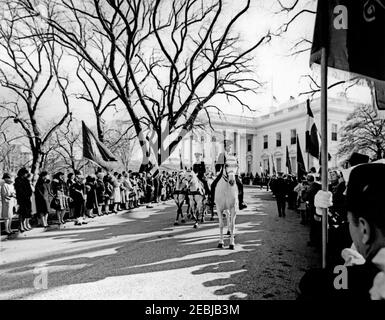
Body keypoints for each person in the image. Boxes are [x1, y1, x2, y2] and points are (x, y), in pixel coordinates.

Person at [298, 163, 385, 300]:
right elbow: (326, 239)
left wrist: (349, 273)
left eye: (350, 221)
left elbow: (312, 283)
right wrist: (320, 214)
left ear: (364, 229)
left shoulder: (357, 279)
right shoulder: (346, 235)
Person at [210, 140, 247, 210]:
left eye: (230, 147)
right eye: (228, 146)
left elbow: (237, 165)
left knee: (240, 185)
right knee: (213, 185)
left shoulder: (233, 155)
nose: (229, 148)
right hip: (223, 173)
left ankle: (241, 202)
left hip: (233, 173)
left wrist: (237, 171)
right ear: (225, 147)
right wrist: (218, 171)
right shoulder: (222, 155)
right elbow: (218, 166)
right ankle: (211, 201)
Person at [14, 167, 33, 233]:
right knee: (21, 213)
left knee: (27, 212)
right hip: (21, 199)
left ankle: (25, 225)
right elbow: (19, 190)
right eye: (25, 173)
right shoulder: (17, 180)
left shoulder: (26, 180)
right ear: (22, 173)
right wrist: (24, 195)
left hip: (27, 198)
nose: (26, 174)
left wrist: (29, 194)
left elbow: (29, 189)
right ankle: (21, 225)